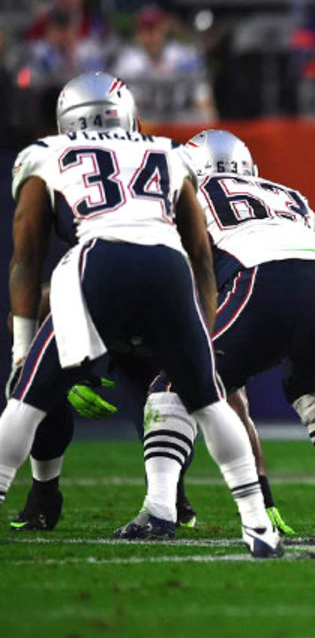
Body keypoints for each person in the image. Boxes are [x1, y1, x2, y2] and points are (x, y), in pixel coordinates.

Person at [2, 72, 283, 557]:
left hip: (98, 260)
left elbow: (27, 260)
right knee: (210, 403)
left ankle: (34, 487)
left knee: (26, 401)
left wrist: (22, 351)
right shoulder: (168, 151)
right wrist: (202, 339)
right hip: (167, 266)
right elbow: (198, 253)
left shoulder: (45, 153)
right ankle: (259, 526)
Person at [115, 129, 315, 538]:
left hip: (263, 275)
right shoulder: (289, 194)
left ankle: (160, 509)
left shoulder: (179, 189)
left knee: (175, 380)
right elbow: (308, 254)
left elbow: (177, 268)